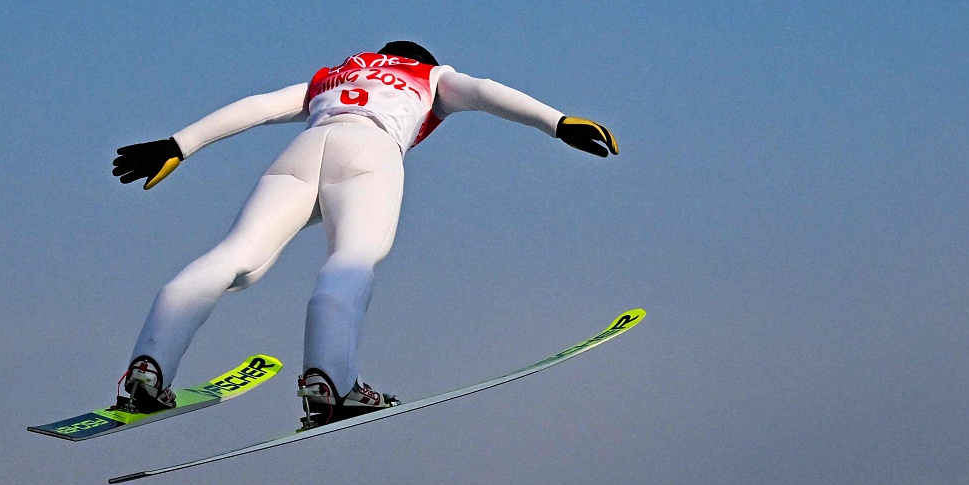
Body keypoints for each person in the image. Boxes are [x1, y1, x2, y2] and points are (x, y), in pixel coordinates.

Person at [110, 42, 619, 426]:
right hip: (370, 150)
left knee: (237, 258)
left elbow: (259, 105)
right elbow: (483, 92)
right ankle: (330, 381)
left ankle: (147, 369)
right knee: (352, 258)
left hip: (305, 148)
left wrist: (180, 143)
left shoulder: (333, 77)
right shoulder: (429, 75)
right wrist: (558, 122)